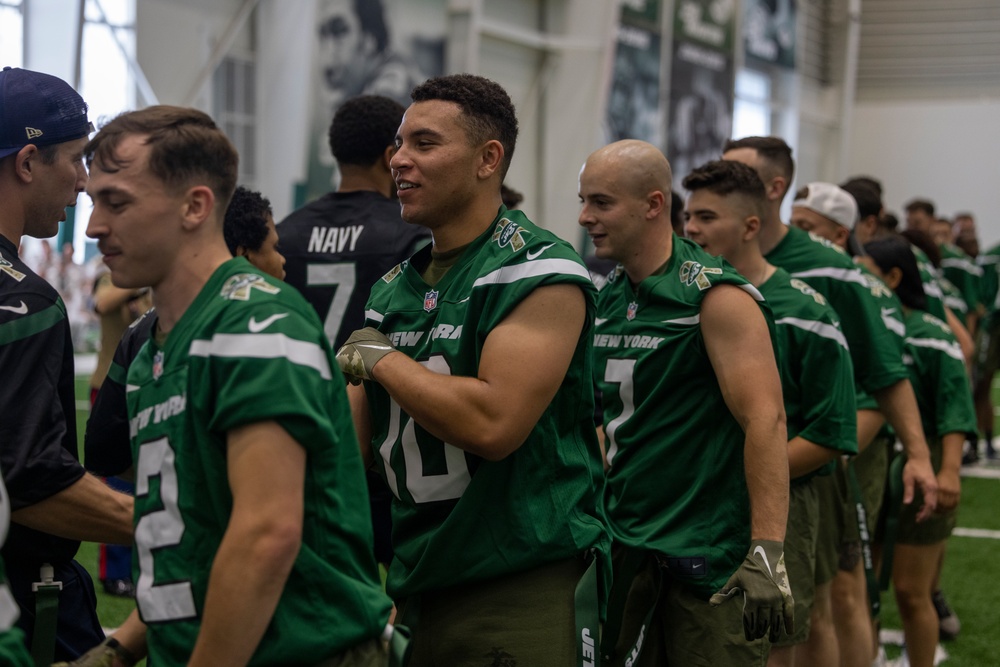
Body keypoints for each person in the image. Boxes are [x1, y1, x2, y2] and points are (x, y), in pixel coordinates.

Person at [83, 105, 391, 665]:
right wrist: (118, 649)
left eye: (117, 202)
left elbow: (264, 537)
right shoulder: (160, 340)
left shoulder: (254, 323)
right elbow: (191, 531)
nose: (93, 227)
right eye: (93, 201)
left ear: (195, 206)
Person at [337, 74, 608, 666]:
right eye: (398, 146)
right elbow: (348, 450)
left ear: (489, 160)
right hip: (417, 577)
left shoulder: (538, 269)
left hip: (518, 579)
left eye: (425, 144)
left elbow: (493, 422)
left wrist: (385, 362)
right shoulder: (392, 287)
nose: (400, 161)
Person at [722, 137, 938, 666]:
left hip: (809, 468)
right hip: (719, 471)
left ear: (773, 189)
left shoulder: (831, 270)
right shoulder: (701, 263)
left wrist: (920, 454)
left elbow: (884, 370)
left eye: (734, 175)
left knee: (830, 599)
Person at [579, 140, 790, 666]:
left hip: (706, 551)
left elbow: (765, 418)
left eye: (601, 203)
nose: (585, 217)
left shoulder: (715, 297)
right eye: (583, 201)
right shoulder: (608, 296)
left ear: (653, 205)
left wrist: (767, 548)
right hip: (625, 540)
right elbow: (613, 419)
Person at [684, 161, 857, 667]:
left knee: (773, 639)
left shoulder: (807, 311)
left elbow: (831, 432)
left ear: (751, 226)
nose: (691, 228)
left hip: (781, 501)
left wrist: (751, 469)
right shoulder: (684, 300)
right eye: (689, 215)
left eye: (707, 216)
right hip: (693, 503)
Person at [0, 66, 134, 662]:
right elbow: (30, 482)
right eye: (77, 160)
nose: (83, 184)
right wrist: (179, 525)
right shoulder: (22, 302)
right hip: (20, 598)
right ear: (28, 162)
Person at [858, 236, 975, 667]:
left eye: (864, 271)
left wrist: (948, 472)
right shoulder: (862, 328)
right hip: (870, 471)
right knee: (862, 589)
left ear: (892, 277)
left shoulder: (929, 334)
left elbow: (954, 410)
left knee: (911, 592)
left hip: (915, 471)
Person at [281, 94, 428, 349]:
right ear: (390, 157)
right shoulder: (411, 235)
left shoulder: (284, 233)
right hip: (367, 384)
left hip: (296, 385)